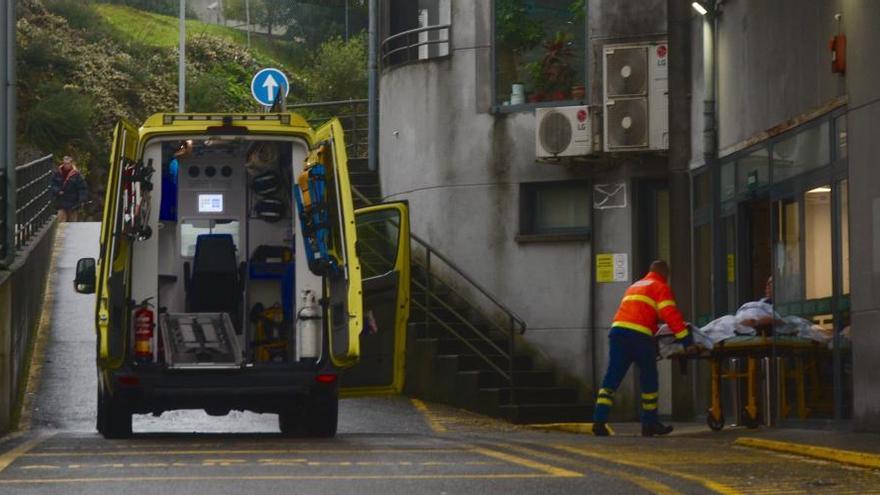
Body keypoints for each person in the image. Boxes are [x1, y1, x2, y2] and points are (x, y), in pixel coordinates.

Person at [592, 260, 694, 437]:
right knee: (649, 378)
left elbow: (638, 312)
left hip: (617, 332)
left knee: (612, 377)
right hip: (639, 336)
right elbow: (670, 314)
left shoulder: (636, 285)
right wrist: (686, 340)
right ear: (665, 274)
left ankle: (599, 422)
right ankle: (649, 423)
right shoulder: (659, 286)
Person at [50, 155, 88, 222]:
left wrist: (81, 200)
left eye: (68, 163)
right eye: (65, 163)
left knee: (72, 223)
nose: (66, 165)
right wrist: (58, 191)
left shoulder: (76, 175)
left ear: (71, 163)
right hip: (61, 201)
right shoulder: (57, 173)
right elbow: (52, 184)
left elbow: (82, 188)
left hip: (73, 203)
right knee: (61, 222)